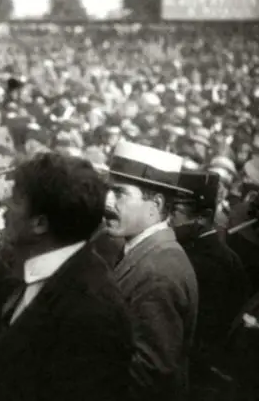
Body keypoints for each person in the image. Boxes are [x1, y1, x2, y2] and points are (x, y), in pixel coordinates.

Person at [0, 152, 133, 401]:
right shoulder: (67, 270)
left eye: (16, 201)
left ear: (39, 223)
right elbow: (20, 301)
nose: (5, 208)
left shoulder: (92, 310)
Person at [106, 140, 199, 401]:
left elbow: (150, 377)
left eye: (120, 193)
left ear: (155, 205)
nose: (108, 202)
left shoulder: (160, 271)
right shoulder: (144, 253)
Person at [170, 169, 248, 400]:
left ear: (203, 217)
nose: (167, 220)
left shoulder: (208, 264)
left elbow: (202, 336)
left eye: (175, 211)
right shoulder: (209, 253)